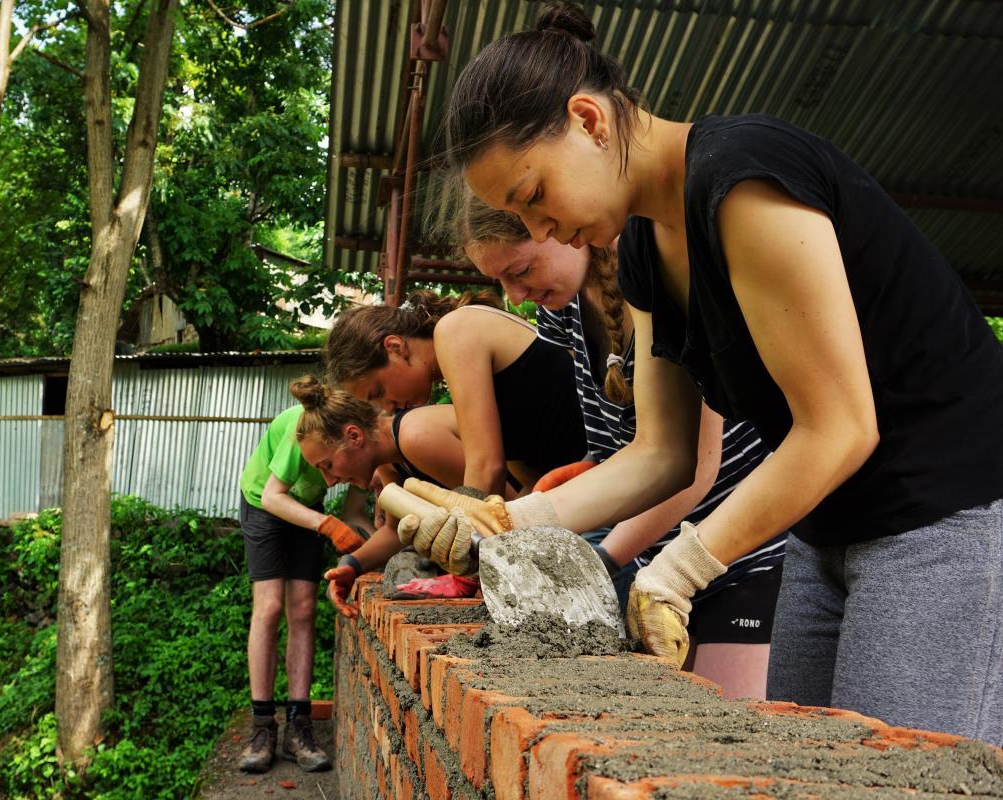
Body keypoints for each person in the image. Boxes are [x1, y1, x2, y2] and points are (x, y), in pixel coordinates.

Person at [401, 2, 1003, 745]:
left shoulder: (742, 179)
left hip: (946, 510)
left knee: (907, 771)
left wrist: (679, 570)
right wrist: (504, 524)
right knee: (804, 764)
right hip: (827, 528)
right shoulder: (647, 252)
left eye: (533, 198)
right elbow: (662, 455)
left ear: (589, 121)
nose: (540, 231)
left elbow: (841, 426)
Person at [454, 197, 784, 699]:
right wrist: (576, 481)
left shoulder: (663, 282)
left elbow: (691, 468)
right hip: (656, 552)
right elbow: (611, 450)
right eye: (501, 282)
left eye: (520, 270)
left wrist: (605, 559)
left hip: (735, 550)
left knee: (725, 732)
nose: (515, 296)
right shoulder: (561, 313)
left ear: (558, 227)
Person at [285, 375, 520, 615]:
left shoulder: (415, 438)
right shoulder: (390, 461)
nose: (329, 480)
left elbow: (506, 504)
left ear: (354, 436)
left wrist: (466, 580)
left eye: (328, 465)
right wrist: (350, 565)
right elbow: (392, 531)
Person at [325, 290, 587, 495]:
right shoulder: (458, 372)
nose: (388, 406)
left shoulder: (455, 330)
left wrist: (465, 536)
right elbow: (532, 481)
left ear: (395, 347)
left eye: (379, 391)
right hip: (583, 487)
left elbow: (486, 467)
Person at [235, 401, 367, 773]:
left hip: (306, 508)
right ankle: (262, 727)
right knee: (270, 606)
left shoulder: (354, 430)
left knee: (305, 610)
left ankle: (299, 726)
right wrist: (327, 525)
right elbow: (272, 497)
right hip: (265, 503)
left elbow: (363, 499)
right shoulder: (301, 432)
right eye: (322, 468)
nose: (329, 477)